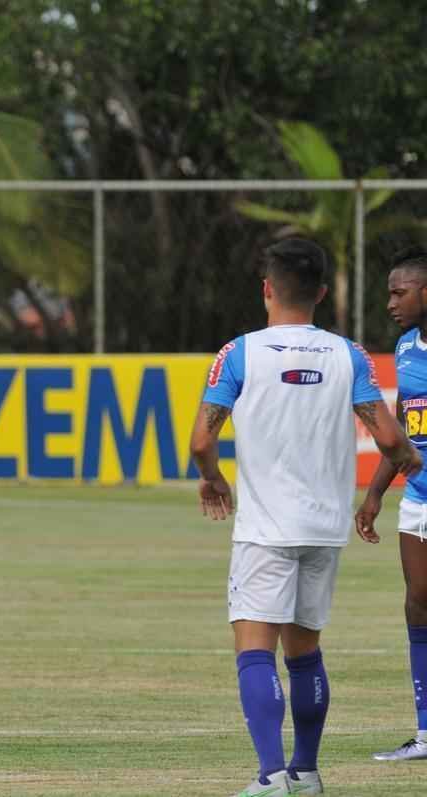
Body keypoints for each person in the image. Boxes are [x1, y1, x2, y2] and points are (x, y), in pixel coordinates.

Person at [189, 237, 421, 797]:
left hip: (266, 529)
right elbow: (391, 439)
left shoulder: (239, 353)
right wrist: (408, 461)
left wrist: (213, 477)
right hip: (324, 529)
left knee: (254, 651)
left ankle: (270, 776)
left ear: (267, 289)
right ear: (320, 293)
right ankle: (307, 772)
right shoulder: (349, 355)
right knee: (305, 653)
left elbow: (201, 440)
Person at [355, 245, 427, 761]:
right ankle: (425, 734)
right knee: (417, 602)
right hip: (419, 497)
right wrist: (376, 492)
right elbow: (401, 428)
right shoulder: (405, 348)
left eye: (400, 293)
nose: (391, 303)